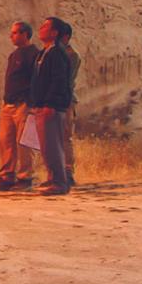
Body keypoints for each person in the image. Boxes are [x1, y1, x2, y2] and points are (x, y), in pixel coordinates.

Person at [28, 16, 76, 195]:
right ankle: (52, 178)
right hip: (42, 106)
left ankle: (59, 182)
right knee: (46, 146)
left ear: (54, 32)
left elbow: (58, 81)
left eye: (45, 26)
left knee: (53, 145)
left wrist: (50, 103)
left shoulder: (57, 53)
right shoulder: (44, 52)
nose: (41, 28)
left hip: (52, 108)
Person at [0, 21, 38, 189]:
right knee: (6, 141)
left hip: (23, 104)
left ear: (25, 34)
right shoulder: (14, 55)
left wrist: (30, 102)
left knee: (24, 143)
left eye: (14, 33)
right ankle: (6, 176)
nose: (11, 36)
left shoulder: (34, 54)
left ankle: (25, 177)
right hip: (8, 104)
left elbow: (36, 80)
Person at [62, 25, 82, 187]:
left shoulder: (71, 55)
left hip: (66, 100)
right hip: (61, 100)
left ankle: (68, 172)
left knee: (65, 138)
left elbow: (66, 80)